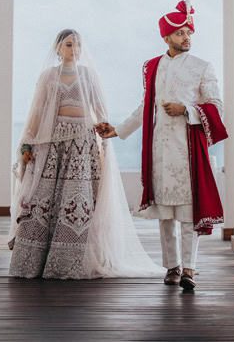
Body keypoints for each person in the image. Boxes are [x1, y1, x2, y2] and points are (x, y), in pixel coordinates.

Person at [9, 29, 161, 280]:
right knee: (44, 198)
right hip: (54, 143)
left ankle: (72, 260)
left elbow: (99, 109)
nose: (74, 49)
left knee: (77, 200)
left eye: (77, 45)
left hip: (82, 143)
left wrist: (105, 132)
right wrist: (27, 145)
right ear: (58, 48)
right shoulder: (48, 76)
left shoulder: (88, 75)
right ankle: (35, 261)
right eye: (69, 45)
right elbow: (37, 113)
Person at [97, 0, 227, 291]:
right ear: (166, 37)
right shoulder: (154, 67)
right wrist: (117, 130)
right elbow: (146, 107)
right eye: (180, 33)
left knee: (187, 214)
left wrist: (187, 110)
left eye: (188, 33)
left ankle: (190, 269)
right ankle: (172, 267)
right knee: (165, 214)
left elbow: (217, 106)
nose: (187, 38)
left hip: (188, 151)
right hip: (160, 149)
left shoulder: (202, 68)